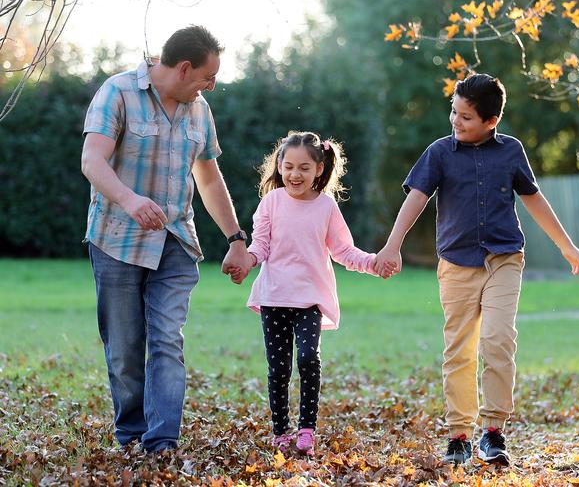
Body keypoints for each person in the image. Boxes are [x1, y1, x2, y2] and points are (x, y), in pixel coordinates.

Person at [374, 73, 579, 467]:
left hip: (504, 259)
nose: (456, 121)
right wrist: (393, 245)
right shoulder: (440, 152)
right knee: (458, 350)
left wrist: (567, 246)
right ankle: (459, 435)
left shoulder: (511, 152)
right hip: (457, 264)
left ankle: (493, 431)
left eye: (466, 117)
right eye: (453, 112)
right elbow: (417, 198)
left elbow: (534, 200)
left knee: (497, 339)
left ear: (491, 121)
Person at [80, 25, 252, 453]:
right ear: (184, 67)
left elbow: (209, 179)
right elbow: (91, 160)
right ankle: (131, 434)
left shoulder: (199, 110)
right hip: (117, 240)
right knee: (124, 348)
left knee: (166, 341)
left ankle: (161, 443)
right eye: (207, 77)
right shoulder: (117, 93)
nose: (212, 85)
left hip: (177, 242)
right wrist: (129, 199)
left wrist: (235, 237)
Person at [238, 131, 394, 457]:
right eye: (289, 166)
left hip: (310, 299)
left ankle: (306, 429)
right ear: (279, 166)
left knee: (309, 359)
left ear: (319, 169)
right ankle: (281, 432)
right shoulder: (271, 202)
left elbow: (344, 251)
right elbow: (260, 245)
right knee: (279, 369)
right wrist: (246, 260)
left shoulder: (326, 207)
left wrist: (373, 263)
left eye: (304, 168)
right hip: (275, 298)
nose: (295, 174)